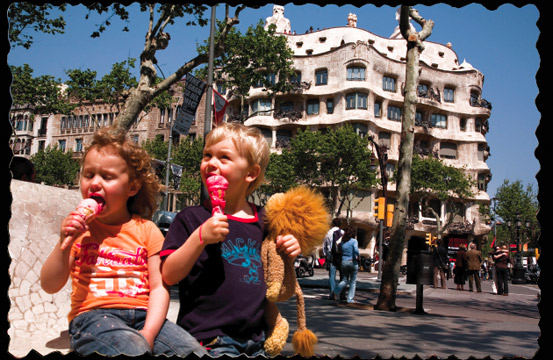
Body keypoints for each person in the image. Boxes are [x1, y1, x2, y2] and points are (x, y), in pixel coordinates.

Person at [40, 127, 206, 357]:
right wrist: (63, 243)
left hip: (143, 316)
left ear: (133, 187)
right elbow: (49, 284)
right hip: (93, 317)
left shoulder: (147, 230)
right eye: (89, 175)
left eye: (107, 177)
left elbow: (159, 288)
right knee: (131, 348)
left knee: (193, 351)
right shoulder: (81, 232)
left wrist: (149, 332)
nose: (95, 183)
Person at [160, 123, 301, 357]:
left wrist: (291, 248)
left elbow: (275, 263)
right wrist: (200, 238)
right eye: (207, 155)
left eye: (224, 158)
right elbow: (169, 273)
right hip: (209, 338)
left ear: (251, 173)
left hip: (256, 339)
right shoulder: (191, 218)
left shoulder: (264, 220)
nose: (211, 163)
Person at [333, 225, 359, 304]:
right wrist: (358, 255)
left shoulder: (343, 242)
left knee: (344, 280)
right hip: (352, 262)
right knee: (353, 281)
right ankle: (350, 299)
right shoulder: (354, 241)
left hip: (344, 262)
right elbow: (356, 250)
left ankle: (336, 291)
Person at [323, 218, 343, 299]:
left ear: (333, 224)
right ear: (340, 224)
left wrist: (325, 254)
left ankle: (332, 294)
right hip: (340, 255)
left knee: (332, 275)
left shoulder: (328, 232)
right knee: (342, 275)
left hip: (331, 254)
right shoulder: (342, 232)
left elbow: (324, 245)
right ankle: (342, 294)